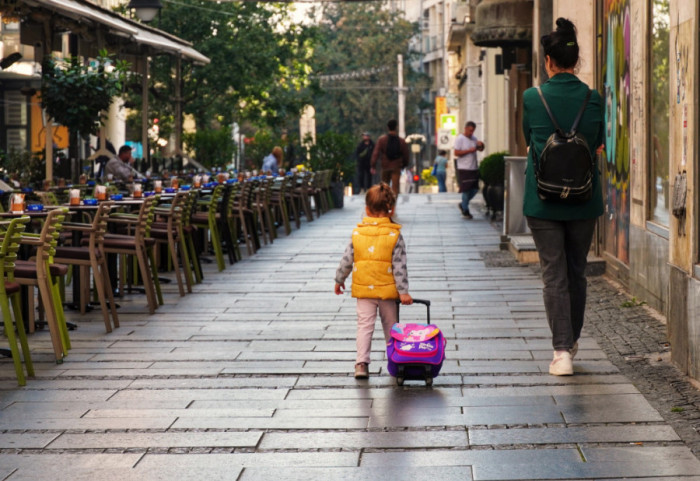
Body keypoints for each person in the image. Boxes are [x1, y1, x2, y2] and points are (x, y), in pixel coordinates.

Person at [522, 17, 604, 376]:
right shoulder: (594, 98)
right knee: (577, 272)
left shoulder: (532, 98)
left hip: (542, 199)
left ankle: (561, 353)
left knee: (553, 273)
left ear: (548, 61)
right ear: (576, 60)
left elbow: (528, 138)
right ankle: (571, 341)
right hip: (585, 198)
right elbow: (599, 142)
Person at [334, 182, 413, 379]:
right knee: (392, 327)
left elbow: (347, 260)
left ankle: (361, 364)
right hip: (387, 292)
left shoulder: (358, 233)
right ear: (391, 209)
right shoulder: (394, 235)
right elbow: (399, 266)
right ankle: (395, 361)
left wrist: (339, 279)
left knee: (364, 326)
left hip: (364, 292)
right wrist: (403, 292)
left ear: (367, 209)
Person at [453, 121, 484, 219]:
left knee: (475, 189)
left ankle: (463, 204)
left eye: (473, 131)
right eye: (470, 130)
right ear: (465, 128)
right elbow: (456, 152)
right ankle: (465, 210)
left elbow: (480, 149)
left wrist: (481, 145)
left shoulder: (474, 138)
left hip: (473, 167)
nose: (471, 133)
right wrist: (468, 151)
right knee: (466, 190)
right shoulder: (460, 139)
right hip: (464, 168)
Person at [371, 119, 409, 197]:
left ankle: (385, 201)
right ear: (396, 127)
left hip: (385, 166)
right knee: (395, 187)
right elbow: (406, 154)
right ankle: (393, 204)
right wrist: (404, 164)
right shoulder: (401, 141)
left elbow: (376, 153)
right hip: (396, 166)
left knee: (384, 186)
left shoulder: (382, 140)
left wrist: (373, 165)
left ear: (388, 128)